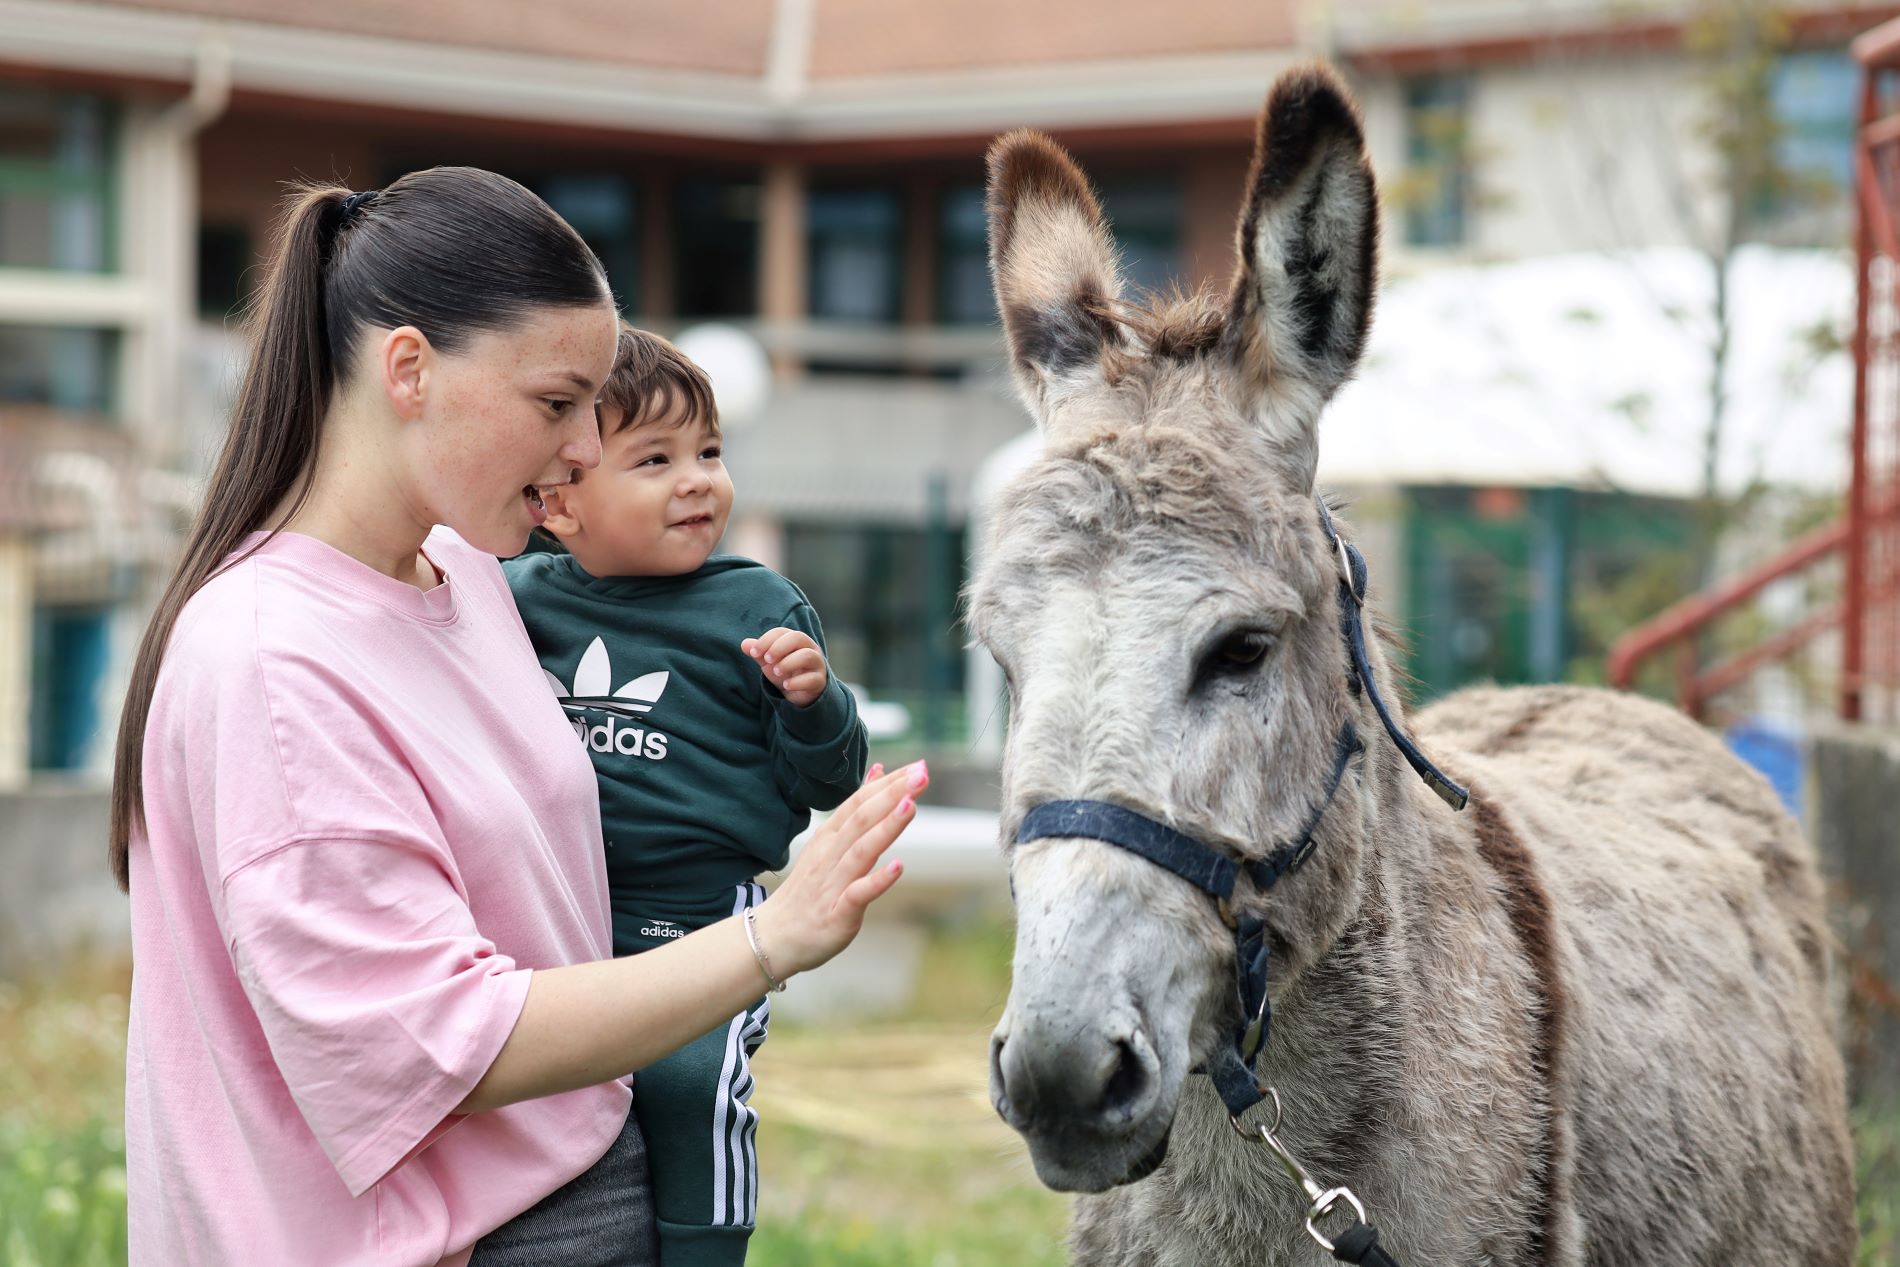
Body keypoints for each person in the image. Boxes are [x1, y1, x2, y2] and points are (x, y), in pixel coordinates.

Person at [109, 168, 922, 1267]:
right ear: (409, 371)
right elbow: (445, 1046)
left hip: (575, 1176)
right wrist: (771, 938)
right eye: (557, 402)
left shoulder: (466, 569)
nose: (588, 445)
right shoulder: (275, 660)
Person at [503, 324, 867, 1265]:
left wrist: (814, 701)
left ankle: (706, 1250)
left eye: (708, 451)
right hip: (555, 908)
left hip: (699, 915)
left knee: (688, 1077)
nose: (697, 478)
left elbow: (829, 780)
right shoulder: (514, 596)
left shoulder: (757, 609)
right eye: (655, 459)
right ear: (559, 501)